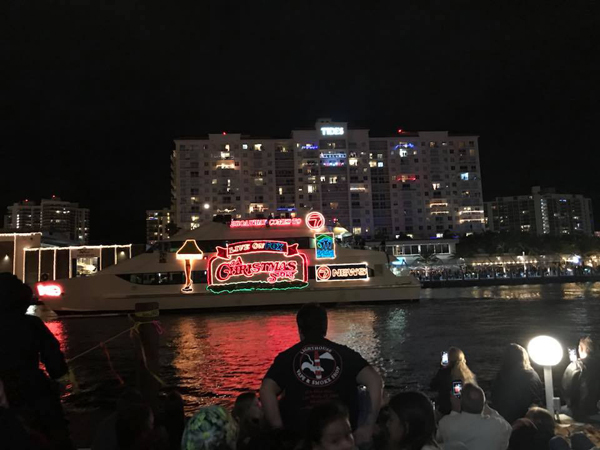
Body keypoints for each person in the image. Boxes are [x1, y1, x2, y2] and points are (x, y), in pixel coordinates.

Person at [260, 304, 383, 446]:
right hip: (342, 436)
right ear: (325, 327)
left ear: (300, 329)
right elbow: (374, 380)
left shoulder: (287, 357)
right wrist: (367, 425)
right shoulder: (345, 354)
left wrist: (278, 429)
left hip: (302, 437)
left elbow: (266, 390)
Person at [0, 273, 74, 450]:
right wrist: (62, 379)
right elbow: (53, 358)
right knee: (54, 432)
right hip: (32, 385)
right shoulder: (32, 324)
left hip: (5, 390)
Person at [437, 383, 512, 450]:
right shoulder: (498, 425)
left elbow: (436, 440)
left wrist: (455, 409)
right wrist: (484, 404)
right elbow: (508, 428)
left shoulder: (446, 423)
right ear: (483, 404)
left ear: (461, 402)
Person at [490, 343, 544, 424]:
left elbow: (494, 398)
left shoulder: (500, 376)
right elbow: (537, 399)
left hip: (504, 421)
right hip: (527, 421)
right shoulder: (531, 376)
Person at [561, 336, 600, 421]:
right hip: (597, 411)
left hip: (583, 412)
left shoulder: (576, 366)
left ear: (581, 348)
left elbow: (567, 391)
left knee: (561, 410)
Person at [430, 347, 476, 416]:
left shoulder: (444, 373)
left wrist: (441, 368)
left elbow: (432, 386)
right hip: (465, 411)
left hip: (445, 411)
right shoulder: (467, 374)